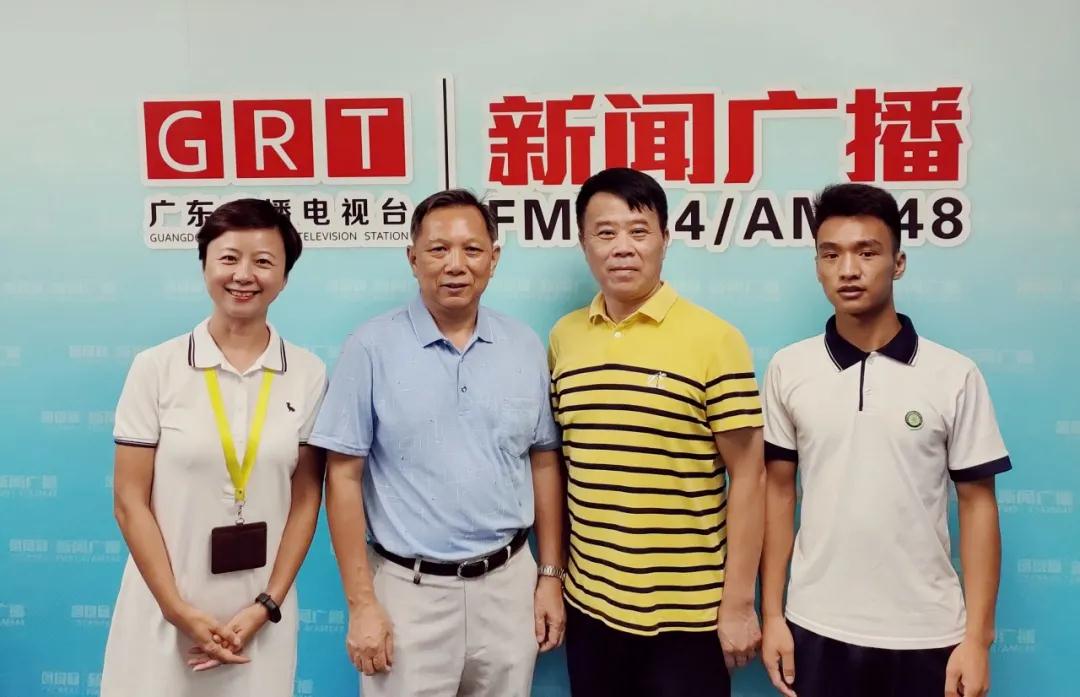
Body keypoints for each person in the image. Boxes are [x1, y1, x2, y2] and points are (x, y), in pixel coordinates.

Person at [308, 188, 566, 697]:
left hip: (510, 586)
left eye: (472, 250)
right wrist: (362, 603)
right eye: (438, 249)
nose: (455, 265)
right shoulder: (370, 347)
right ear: (413, 258)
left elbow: (543, 462)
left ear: (494, 259)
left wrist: (550, 575)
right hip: (409, 594)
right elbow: (343, 476)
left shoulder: (524, 345)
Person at [759, 183, 1011, 697]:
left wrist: (977, 640)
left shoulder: (954, 374)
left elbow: (978, 504)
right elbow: (778, 492)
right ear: (817, 266)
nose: (848, 269)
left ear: (898, 263)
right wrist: (773, 614)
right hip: (816, 625)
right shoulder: (789, 368)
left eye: (867, 252)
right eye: (831, 254)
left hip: (928, 633)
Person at [548, 167, 765, 697]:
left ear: (665, 239)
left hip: (690, 616)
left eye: (639, 231)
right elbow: (563, 465)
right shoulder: (564, 338)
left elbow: (750, 476)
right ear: (583, 243)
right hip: (590, 608)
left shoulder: (716, 340)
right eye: (605, 232)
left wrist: (738, 602)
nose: (622, 247)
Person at [102, 199, 327, 696]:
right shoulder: (156, 368)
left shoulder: (308, 373)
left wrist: (267, 605)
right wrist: (176, 609)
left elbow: (306, 499)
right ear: (204, 264)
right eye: (229, 258)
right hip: (163, 609)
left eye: (263, 261)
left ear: (284, 277)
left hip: (260, 616)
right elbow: (129, 500)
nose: (244, 275)